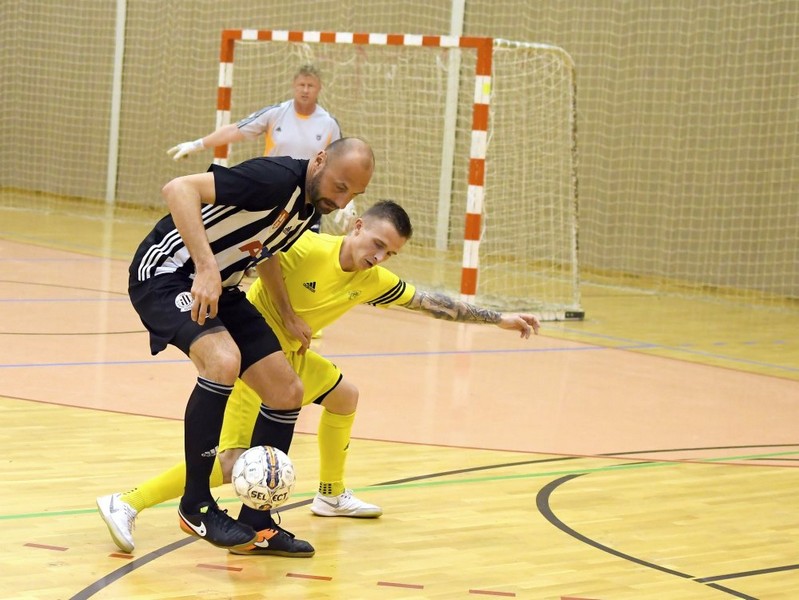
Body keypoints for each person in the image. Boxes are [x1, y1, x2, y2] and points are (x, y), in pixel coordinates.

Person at [97, 200, 540, 556]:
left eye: (389, 253)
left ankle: (330, 495)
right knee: (233, 464)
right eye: (377, 244)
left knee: (345, 396)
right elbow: (263, 254)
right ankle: (129, 501)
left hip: (294, 361)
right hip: (258, 362)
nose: (379, 257)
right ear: (357, 226)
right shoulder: (307, 246)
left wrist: (499, 319)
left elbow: (428, 302)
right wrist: (285, 313)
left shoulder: (373, 279)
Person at [120, 136, 375, 556]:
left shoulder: (308, 207)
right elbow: (179, 189)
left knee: (286, 391)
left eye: (353, 194)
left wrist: (287, 313)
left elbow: (266, 251)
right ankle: (195, 505)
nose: (342, 200)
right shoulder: (274, 179)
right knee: (223, 360)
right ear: (320, 160)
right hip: (167, 273)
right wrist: (206, 267)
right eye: (340, 186)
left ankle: (258, 521)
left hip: (224, 287)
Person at [167, 64, 349, 235]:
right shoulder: (276, 113)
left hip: (308, 198)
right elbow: (235, 130)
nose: (305, 90)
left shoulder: (328, 123)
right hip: (274, 189)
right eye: (302, 85)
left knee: (303, 248)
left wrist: (346, 200)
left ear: (319, 88)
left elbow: (340, 163)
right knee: (260, 245)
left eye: (311, 85)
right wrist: (198, 144)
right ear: (294, 85)